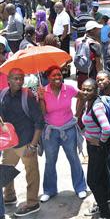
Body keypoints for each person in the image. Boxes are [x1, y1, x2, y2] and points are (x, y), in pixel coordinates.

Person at [36, 66, 87, 203]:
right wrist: (40, 98)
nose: (57, 77)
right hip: (50, 132)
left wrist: (77, 114)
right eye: (53, 76)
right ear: (48, 78)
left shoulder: (68, 88)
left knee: (73, 158)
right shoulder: (43, 91)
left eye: (59, 75)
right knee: (50, 161)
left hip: (68, 129)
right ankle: (49, 190)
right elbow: (42, 113)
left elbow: (82, 96)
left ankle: (80, 187)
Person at [0, 68, 44, 217]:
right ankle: (10, 196)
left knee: (31, 173)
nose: (19, 81)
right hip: (10, 143)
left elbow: (39, 122)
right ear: (8, 80)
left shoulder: (28, 96)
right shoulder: (3, 94)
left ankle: (32, 203)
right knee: (6, 169)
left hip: (26, 142)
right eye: (15, 78)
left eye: (21, 78)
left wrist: (33, 145)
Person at [80, 79, 110, 219]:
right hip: (93, 147)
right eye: (84, 89)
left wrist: (99, 142)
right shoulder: (88, 102)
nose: (86, 92)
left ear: (96, 90)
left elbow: (106, 128)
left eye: (89, 89)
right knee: (100, 178)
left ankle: (105, 214)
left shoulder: (97, 106)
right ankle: (103, 206)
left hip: (97, 148)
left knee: (92, 181)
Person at [96, 70, 110, 194]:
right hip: (101, 131)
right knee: (107, 158)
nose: (99, 82)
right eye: (97, 80)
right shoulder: (99, 92)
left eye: (102, 79)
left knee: (105, 158)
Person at [74, 21, 103, 88]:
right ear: (93, 30)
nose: (100, 31)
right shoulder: (95, 44)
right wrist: (100, 76)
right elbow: (98, 64)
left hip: (80, 74)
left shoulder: (78, 41)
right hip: (91, 75)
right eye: (98, 29)